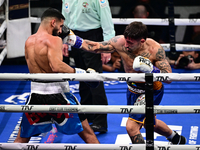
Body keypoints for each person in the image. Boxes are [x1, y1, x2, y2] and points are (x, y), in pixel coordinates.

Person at [76, 21, 186, 144]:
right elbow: (96, 47)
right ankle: (176, 138)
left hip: (151, 90)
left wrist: (151, 69)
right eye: (126, 40)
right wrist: (73, 40)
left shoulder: (154, 50)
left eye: (130, 43)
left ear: (142, 41)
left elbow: (169, 78)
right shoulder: (120, 42)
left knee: (132, 127)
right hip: (132, 89)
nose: (126, 45)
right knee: (150, 123)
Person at [14, 8, 99, 144]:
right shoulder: (54, 40)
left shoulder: (29, 41)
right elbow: (56, 66)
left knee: (21, 139)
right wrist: (82, 74)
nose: (61, 31)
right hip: (59, 95)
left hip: (36, 95)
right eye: (60, 26)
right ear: (53, 22)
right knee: (88, 134)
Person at [61, 0, 115, 133]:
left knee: (95, 79)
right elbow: (64, 19)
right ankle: (87, 113)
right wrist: (64, 41)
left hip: (93, 37)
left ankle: (100, 121)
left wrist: (107, 46)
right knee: (82, 77)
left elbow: (107, 21)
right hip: (73, 36)